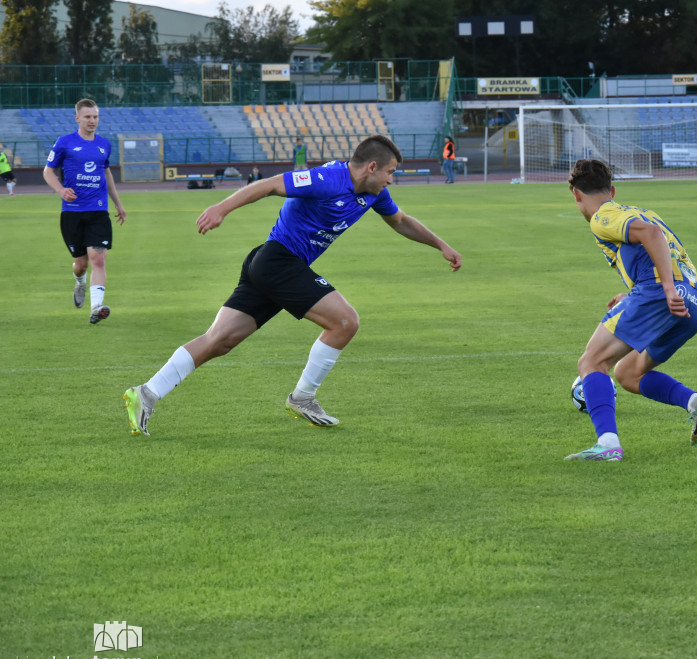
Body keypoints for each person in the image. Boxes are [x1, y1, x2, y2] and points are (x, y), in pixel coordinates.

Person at [122, 135, 462, 437]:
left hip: (271, 266)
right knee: (345, 321)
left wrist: (441, 245)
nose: (391, 179)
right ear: (371, 167)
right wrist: (221, 207)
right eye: (390, 172)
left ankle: (146, 394)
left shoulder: (374, 194)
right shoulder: (328, 178)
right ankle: (302, 398)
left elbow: (401, 221)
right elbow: (270, 184)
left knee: (219, 341)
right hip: (277, 261)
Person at [564, 159, 697, 462]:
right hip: (696, 300)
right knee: (628, 374)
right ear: (611, 189)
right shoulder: (639, 211)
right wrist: (639, 291)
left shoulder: (602, 217)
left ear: (575, 193)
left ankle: (608, 445)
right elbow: (660, 244)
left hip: (664, 294)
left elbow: (651, 235)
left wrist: (664, 288)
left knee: (592, 361)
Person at [42, 98, 127, 324]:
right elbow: (48, 172)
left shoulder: (104, 145)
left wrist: (118, 204)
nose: (92, 121)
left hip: (98, 211)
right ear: (77, 118)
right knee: (82, 264)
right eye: (88, 117)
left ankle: (96, 308)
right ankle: (79, 281)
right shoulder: (64, 143)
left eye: (95, 117)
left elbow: (106, 174)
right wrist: (61, 190)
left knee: (98, 258)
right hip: (72, 212)